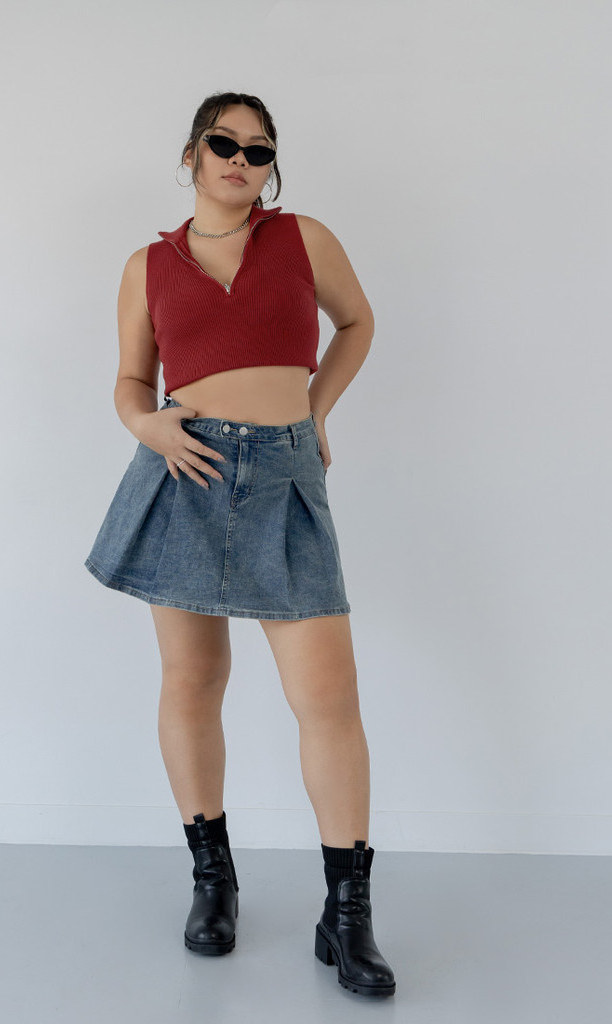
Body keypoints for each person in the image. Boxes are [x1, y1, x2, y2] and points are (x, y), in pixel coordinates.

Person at [84, 91, 395, 998]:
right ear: (191, 153)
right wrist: (146, 424)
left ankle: (348, 916)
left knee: (328, 696)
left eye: (259, 151)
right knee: (192, 680)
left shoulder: (304, 239)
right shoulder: (148, 265)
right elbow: (131, 380)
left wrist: (316, 412)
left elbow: (358, 323)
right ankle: (211, 880)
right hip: (186, 474)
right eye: (224, 143)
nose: (240, 161)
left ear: (271, 168)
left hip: (286, 475)